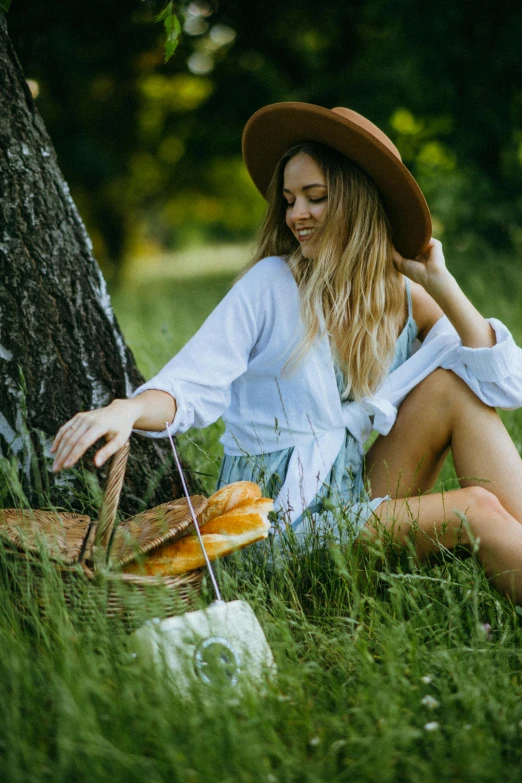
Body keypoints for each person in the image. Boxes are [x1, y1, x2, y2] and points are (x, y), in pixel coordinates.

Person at [51, 102, 522, 601]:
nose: (297, 214)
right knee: (475, 508)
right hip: (276, 526)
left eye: (315, 197)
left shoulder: (403, 296)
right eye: (291, 199)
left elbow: (504, 384)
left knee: (453, 390)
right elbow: (188, 385)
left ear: (357, 201)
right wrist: (127, 409)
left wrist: (442, 284)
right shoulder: (271, 285)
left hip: (349, 496)